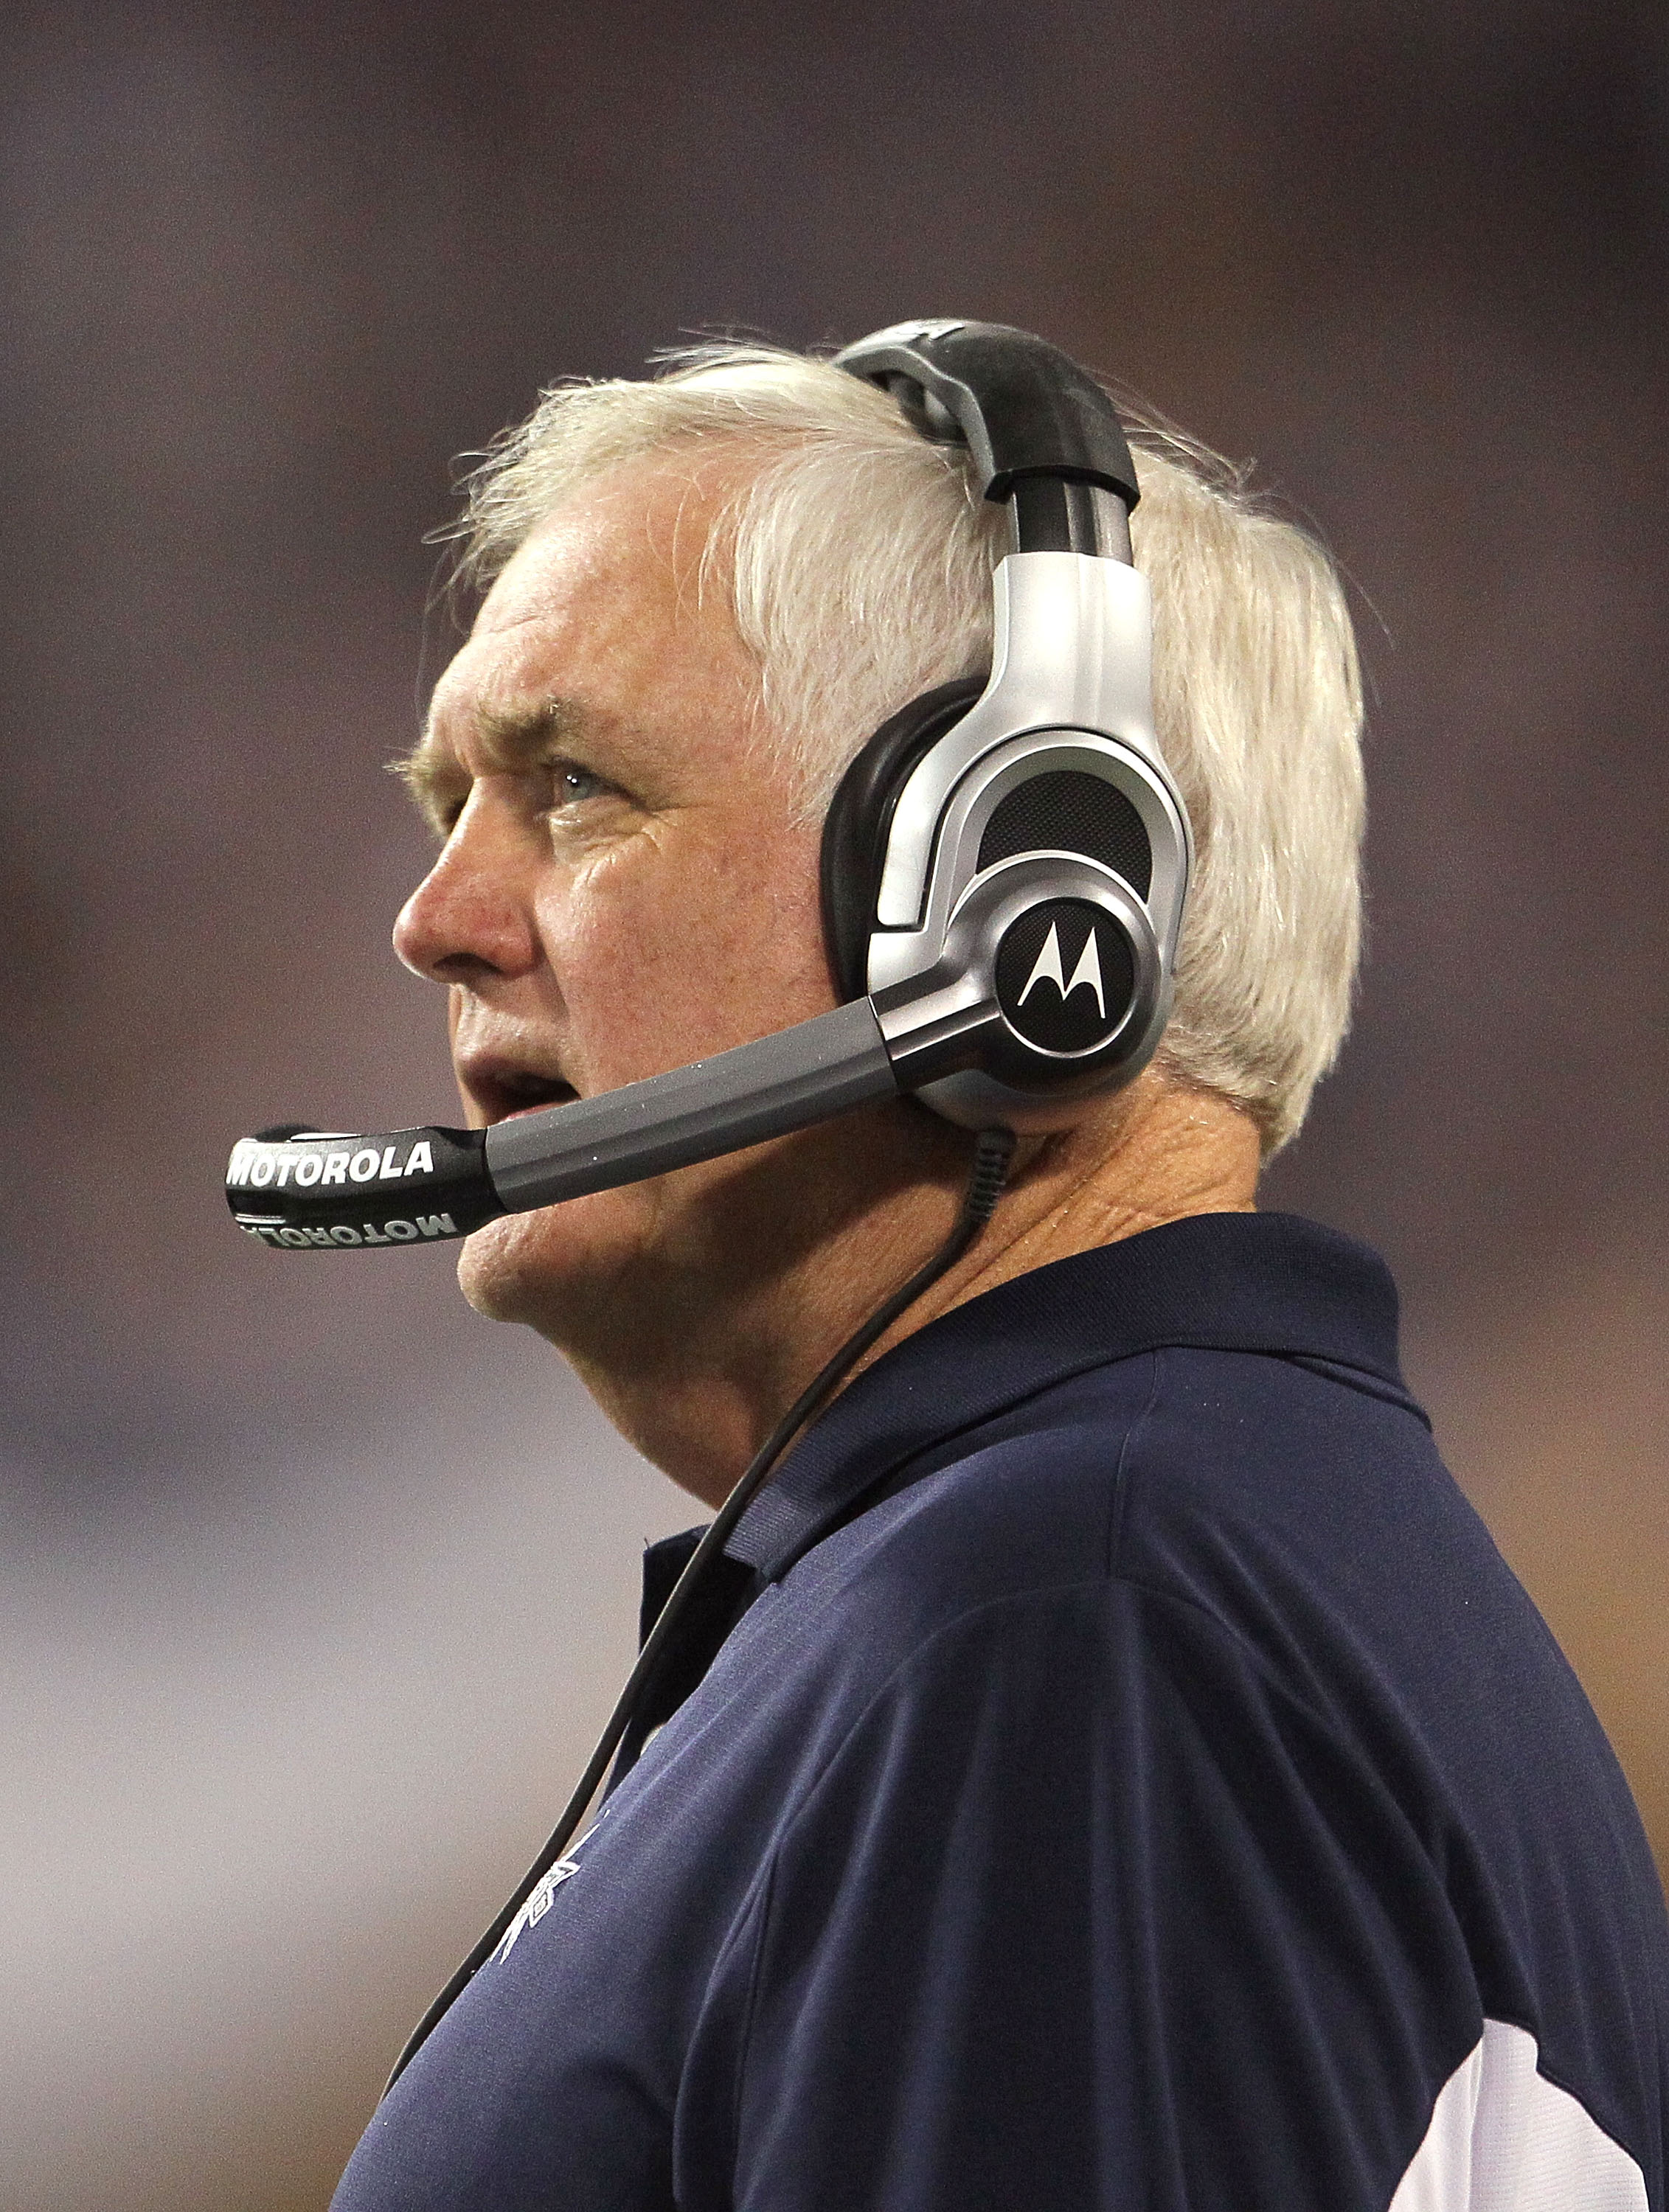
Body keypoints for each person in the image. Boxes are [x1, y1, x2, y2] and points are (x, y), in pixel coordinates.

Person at [330, 340, 1668, 2211]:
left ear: (1020, 896)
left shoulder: (1074, 1617)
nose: (438, 919)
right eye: (445, 804)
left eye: (574, 787)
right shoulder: (1124, 1563)